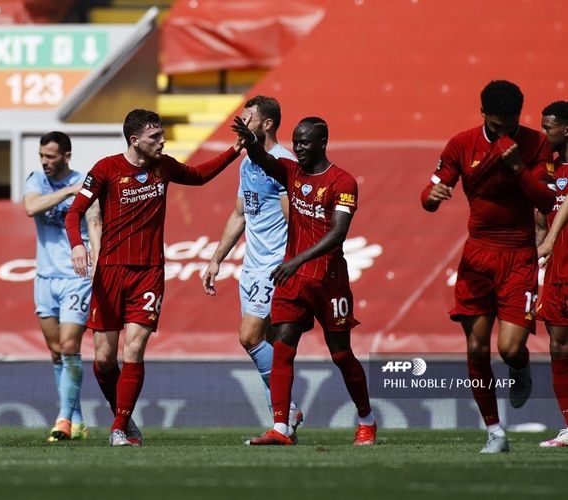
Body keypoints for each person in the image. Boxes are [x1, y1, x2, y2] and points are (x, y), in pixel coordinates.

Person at [65, 109, 242, 446]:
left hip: (148, 273)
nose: (162, 142)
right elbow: (74, 212)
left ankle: (118, 428)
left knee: (134, 349)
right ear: (135, 140)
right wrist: (77, 246)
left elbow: (199, 175)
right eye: (154, 138)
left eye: (162, 136)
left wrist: (236, 149)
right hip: (110, 273)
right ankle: (125, 416)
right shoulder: (106, 169)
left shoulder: (165, 167)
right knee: (104, 358)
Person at [420, 80, 555, 453]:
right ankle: (495, 432)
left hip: (518, 256)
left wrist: (518, 169)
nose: (503, 131)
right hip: (478, 255)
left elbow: (546, 200)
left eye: (510, 124)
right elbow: (430, 193)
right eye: (496, 125)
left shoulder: (534, 144)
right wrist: (432, 196)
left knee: (509, 348)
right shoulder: (461, 144)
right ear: (483, 116)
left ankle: (520, 365)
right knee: (477, 349)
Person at [231, 114, 377, 446]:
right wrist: (251, 140)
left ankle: (367, 420)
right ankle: (281, 427)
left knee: (340, 354)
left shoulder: (343, 181)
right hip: (293, 280)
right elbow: (264, 159)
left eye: (305, 142)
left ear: (323, 143)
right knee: (282, 345)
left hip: (328, 280)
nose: (298, 148)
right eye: (296, 142)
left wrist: (296, 259)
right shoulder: (291, 171)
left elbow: (338, 232)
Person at [202, 96, 302, 435]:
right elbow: (239, 214)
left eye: (248, 118)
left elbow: (295, 221)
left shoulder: (283, 162)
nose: (242, 123)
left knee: (249, 337)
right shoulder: (247, 163)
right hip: (250, 267)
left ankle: (286, 410)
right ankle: (283, 423)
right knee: (270, 346)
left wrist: (292, 264)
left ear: (268, 124)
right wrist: (216, 259)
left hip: (274, 267)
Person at [24, 131, 101, 442]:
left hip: (76, 276)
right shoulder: (37, 180)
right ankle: (78, 419)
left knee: (70, 346)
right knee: (56, 353)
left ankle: (64, 420)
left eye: (51, 157)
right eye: (42, 156)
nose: (45, 162)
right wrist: (69, 191)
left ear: (66, 156)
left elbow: (95, 220)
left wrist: (96, 260)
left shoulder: (89, 183)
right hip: (44, 278)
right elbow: (31, 207)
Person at [534, 100, 568, 447]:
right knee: (558, 347)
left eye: (549, 127)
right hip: (558, 273)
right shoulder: (550, 170)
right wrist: (540, 241)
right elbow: (543, 213)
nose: (545, 133)